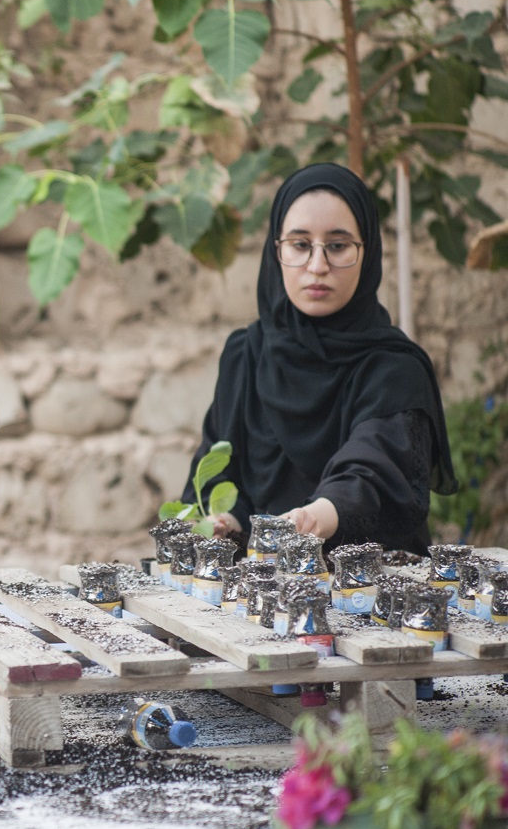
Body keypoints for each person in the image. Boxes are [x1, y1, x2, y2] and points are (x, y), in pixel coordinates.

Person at [185, 162, 457, 554]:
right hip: (255, 593)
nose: (317, 266)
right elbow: (215, 470)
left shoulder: (394, 368)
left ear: (367, 252)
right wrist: (224, 521)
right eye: (299, 245)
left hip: (369, 594)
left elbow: (374, 471)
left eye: (338, 245)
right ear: (275, 251)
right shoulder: (245, 356)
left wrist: (314, 518)